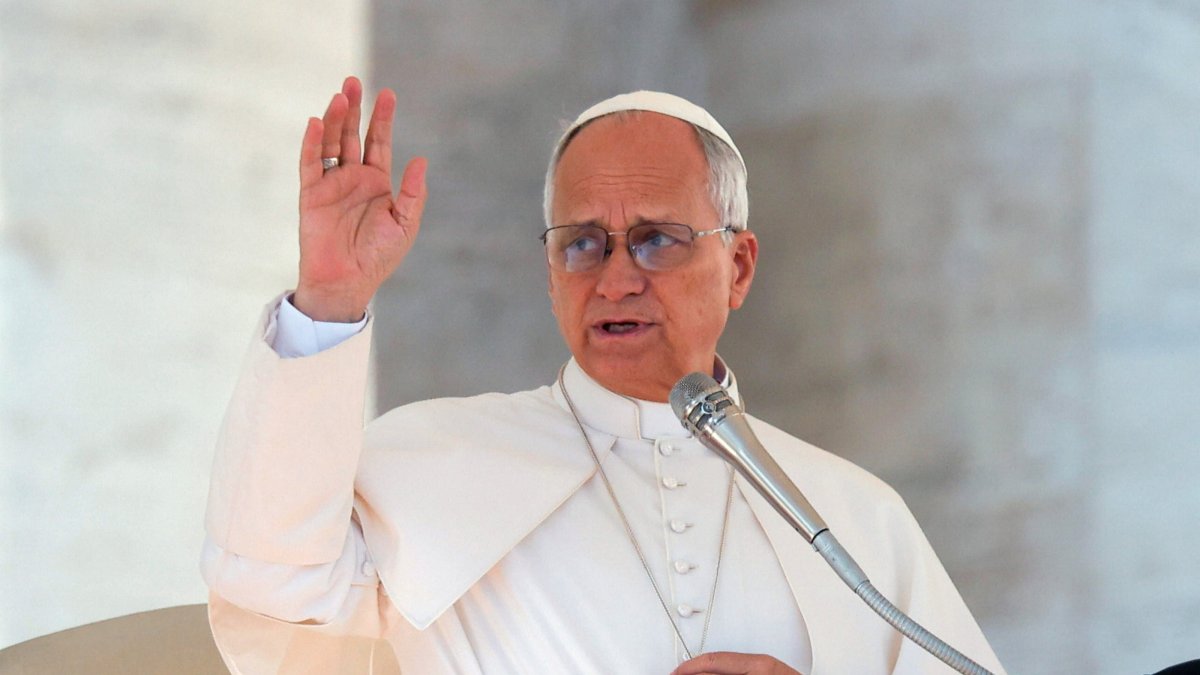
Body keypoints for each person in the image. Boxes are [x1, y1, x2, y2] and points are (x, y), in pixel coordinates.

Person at [201, 76, 1006, 674]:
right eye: (582, 243)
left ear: (739, 266)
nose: (616, 277)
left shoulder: (855, 515)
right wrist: (332, 297)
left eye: (656, 238)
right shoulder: (435, 457)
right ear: (551, 273)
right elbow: (271, 589)